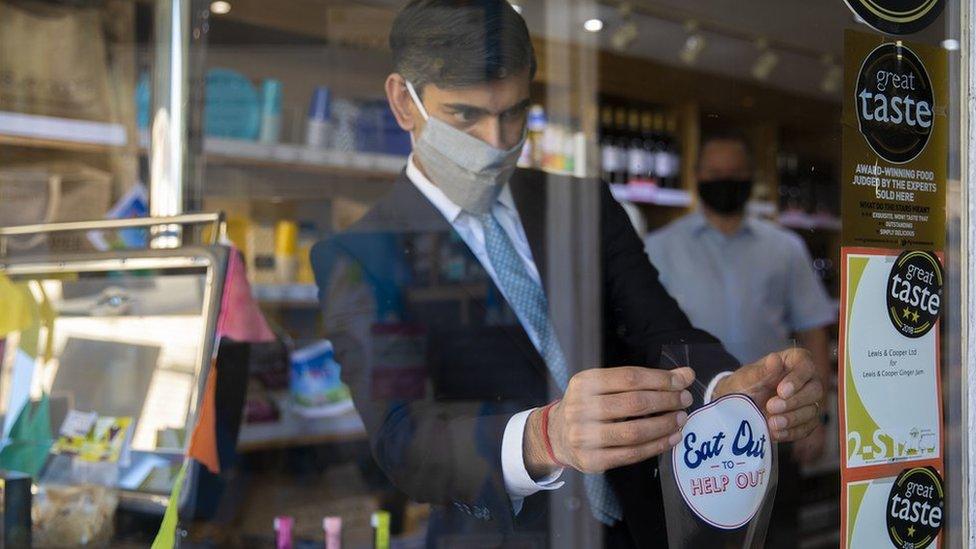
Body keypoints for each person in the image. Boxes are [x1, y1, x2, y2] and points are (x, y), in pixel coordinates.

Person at [311, 1, 824, 547]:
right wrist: (544, 436)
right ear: (403, 101)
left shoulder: (581, 204)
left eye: (513, 114)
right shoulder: (360, 254)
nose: (494, 141)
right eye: (465, 115)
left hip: (639, 525)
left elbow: (661, 333)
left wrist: (728, 388)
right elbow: (403, 437)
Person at [644, 130, 837, 546]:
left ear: (751, 177)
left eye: (735, 173)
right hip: (689, 431)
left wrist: (819, 415)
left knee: (777, 536)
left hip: (772, 426)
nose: (725, 180)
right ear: (696, 176)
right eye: (715, 173)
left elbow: (812, 330)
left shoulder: (785, 248)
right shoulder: (658, 249)